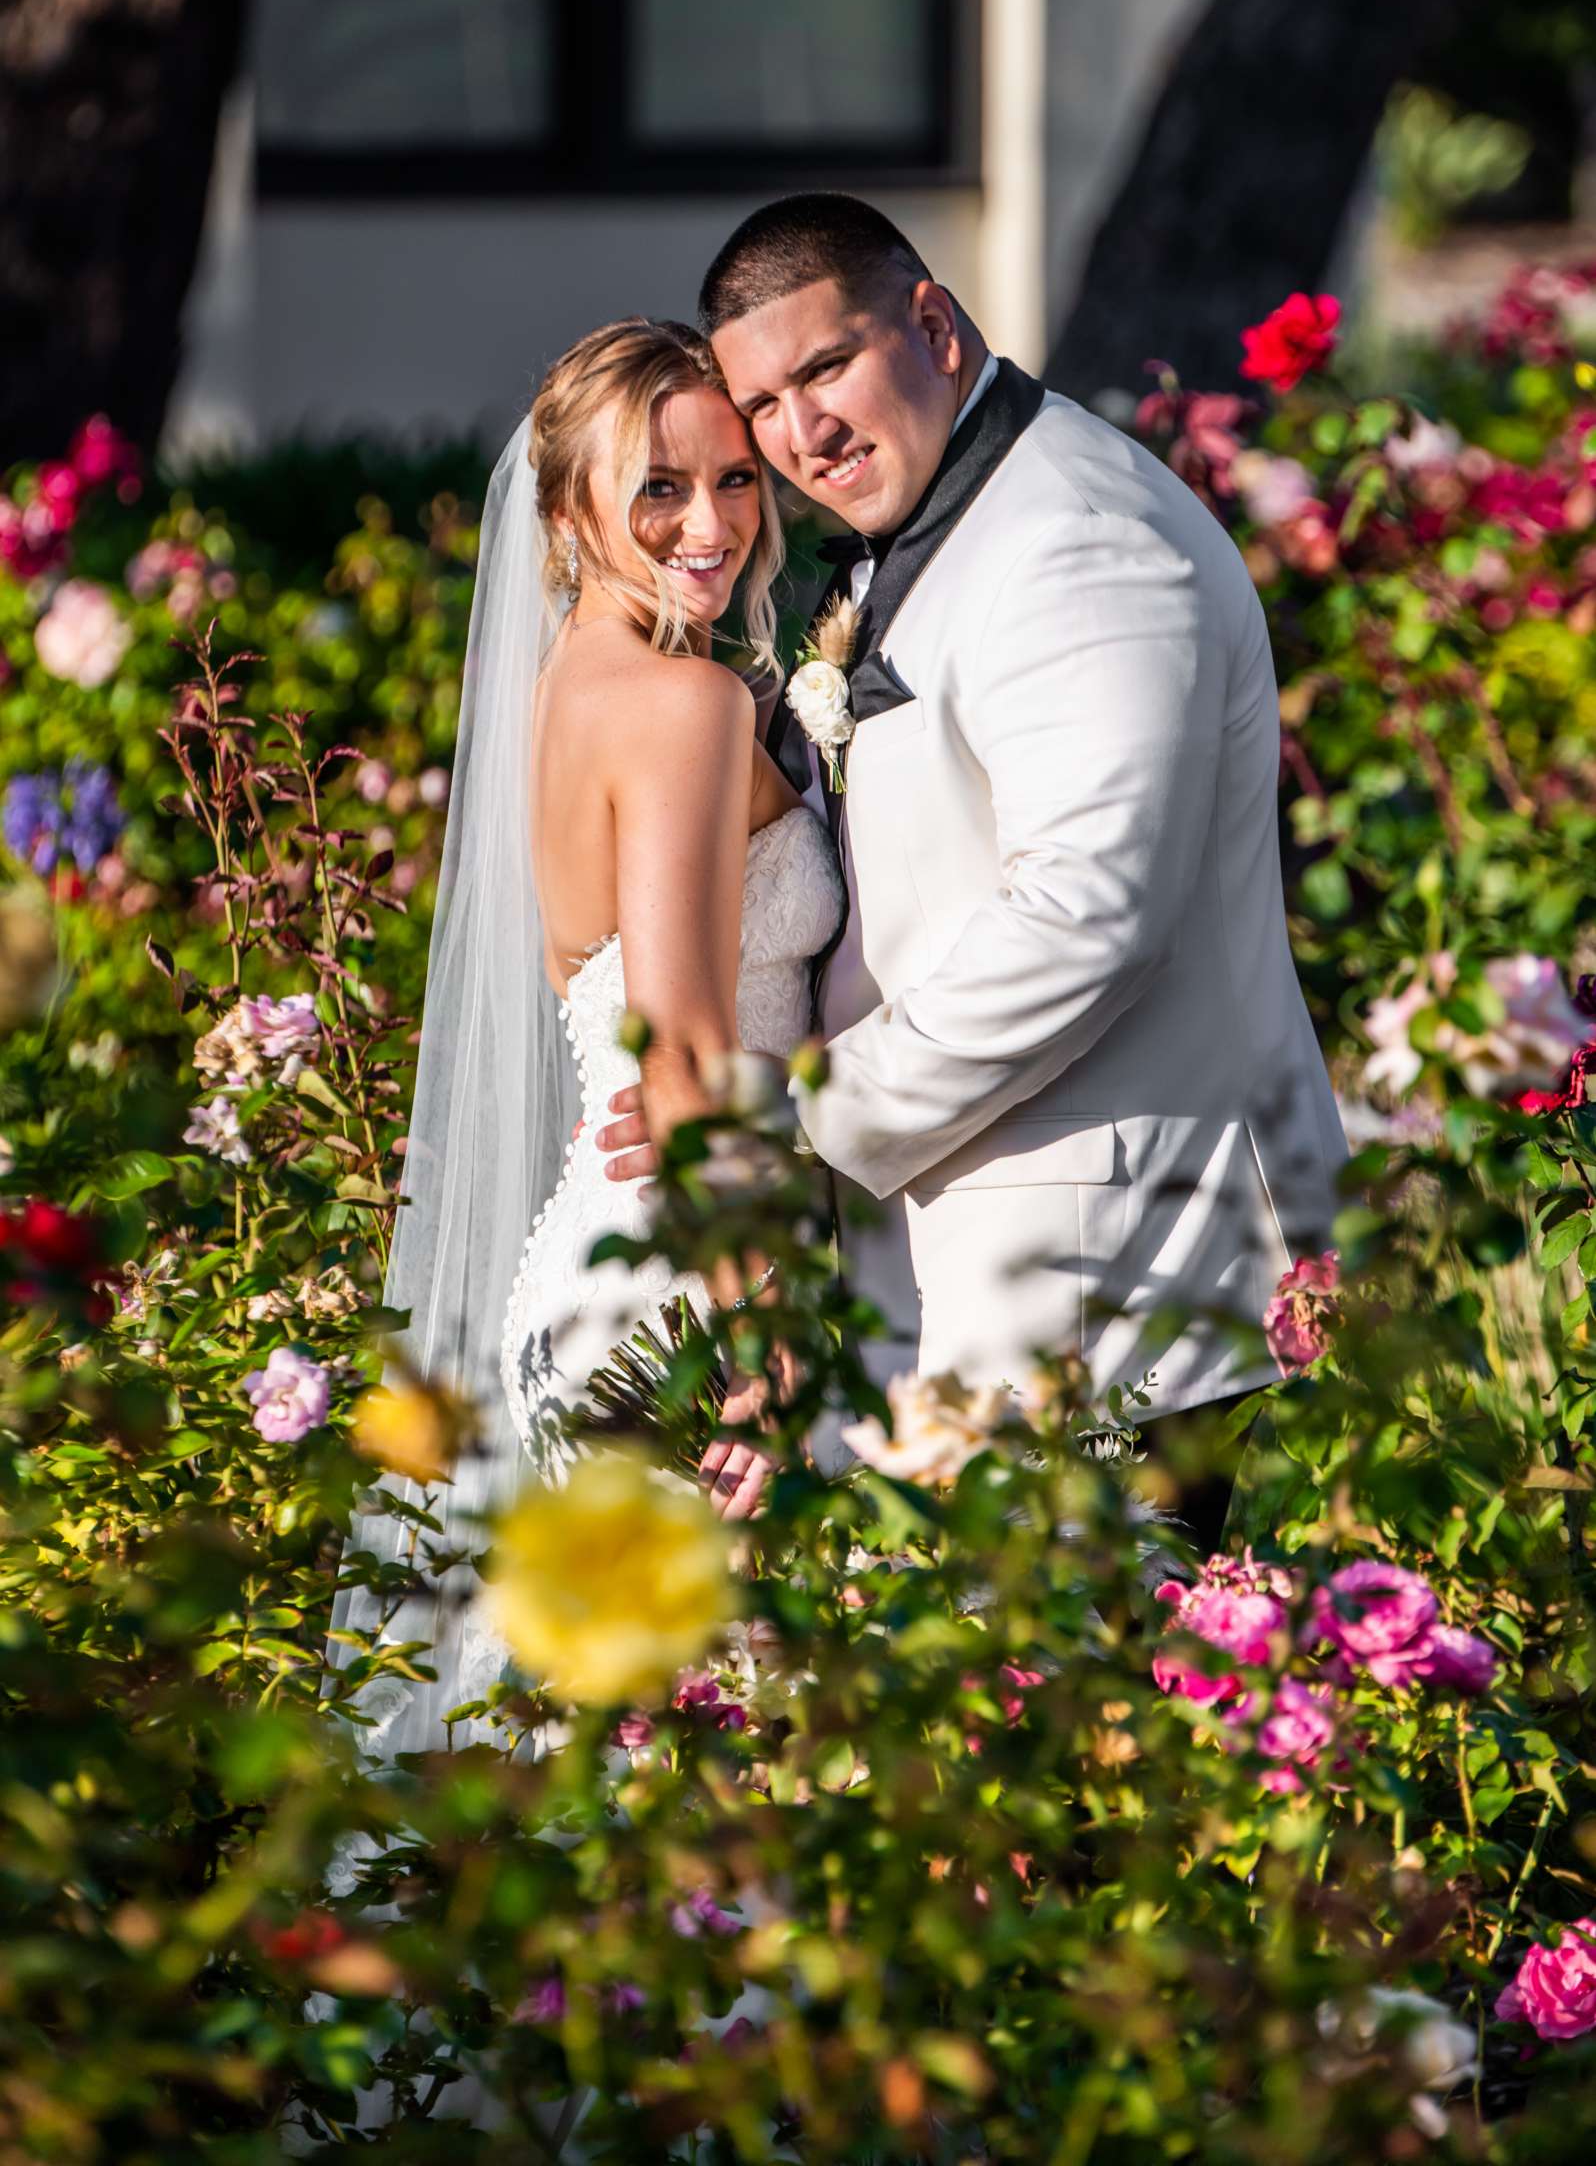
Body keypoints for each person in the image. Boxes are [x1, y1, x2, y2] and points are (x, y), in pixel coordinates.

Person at [600, 195, 1348, 1548]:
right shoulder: (941, 523)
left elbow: (1090, 916)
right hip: (987, 1288)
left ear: (933, 323)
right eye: (761, 403)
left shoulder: (1081, 538)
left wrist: (790, 1116)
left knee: (1094, 1735)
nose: (801, 433)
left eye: (826, 367)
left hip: (1107, 1294)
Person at [336, 319, 842, 1764]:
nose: (714, 524)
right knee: (700, 1781)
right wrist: (760, 1354)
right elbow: (679, 1046)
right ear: (568, 512)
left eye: (737, 480)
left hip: (617, 1244)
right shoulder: (682, 704)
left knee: (614, 1772)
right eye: (661, 489)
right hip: (686, 1288)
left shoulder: (570, 687)